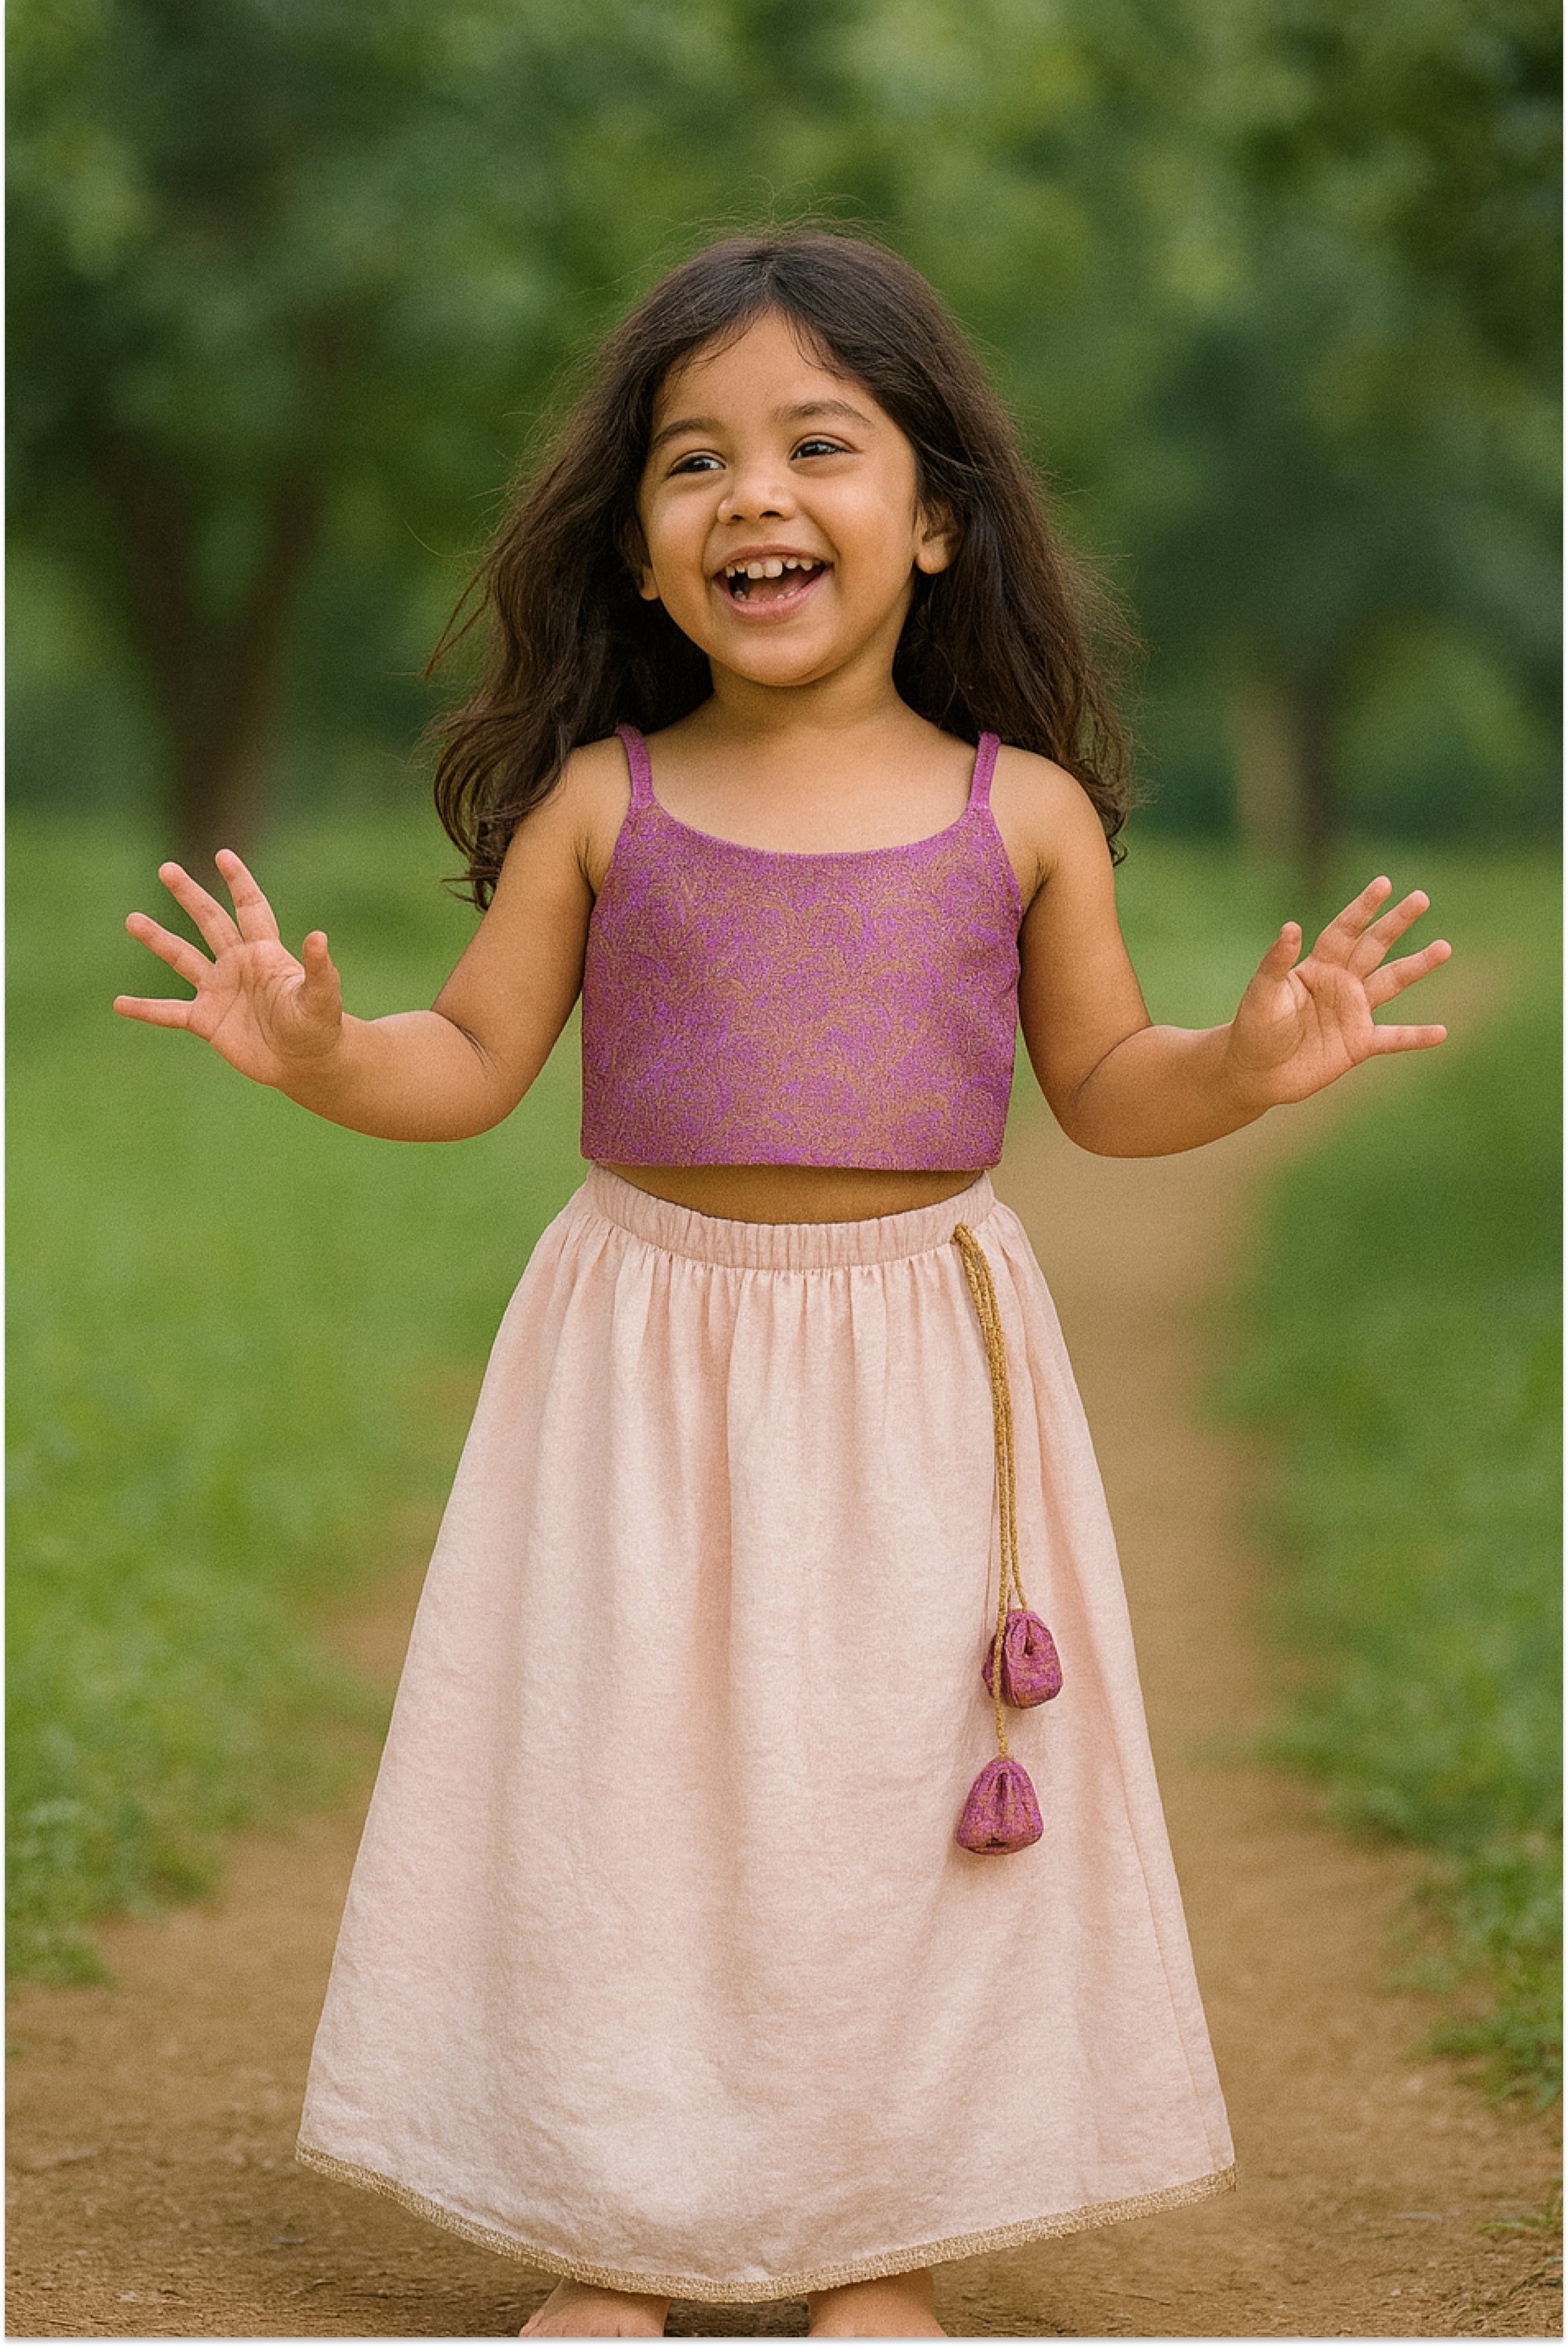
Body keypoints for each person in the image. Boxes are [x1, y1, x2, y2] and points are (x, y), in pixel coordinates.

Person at [114, 231, 1450, 2340]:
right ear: (637, 553)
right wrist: (309, 1047)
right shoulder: (599, 805)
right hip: (638, 1362)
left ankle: (869, 2233)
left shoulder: (1020, 817)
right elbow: (466, 1067)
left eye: (814, 445)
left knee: (875, 1806)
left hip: (917, 1371)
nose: (750, 495)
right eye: (690, 461)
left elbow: (1102, 1085)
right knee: (618, 1790)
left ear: (931, 518)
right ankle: (610, 2230)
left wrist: (1245, 1061)